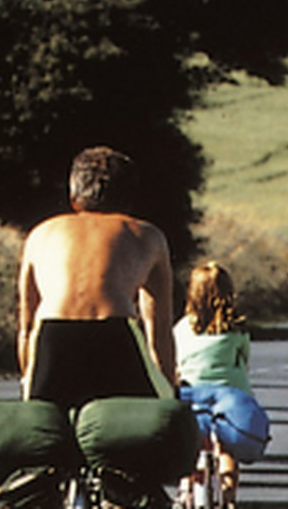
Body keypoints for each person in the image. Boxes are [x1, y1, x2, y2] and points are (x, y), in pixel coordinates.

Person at [17, 146, 177, 410]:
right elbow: (158, 330)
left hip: (52, 332)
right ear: (129, 199)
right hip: (114, 330)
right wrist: (170, 396)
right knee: (133, 429)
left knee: (51, 425)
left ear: (73, 196)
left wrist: (28, 387)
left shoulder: (40, 234)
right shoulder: (148, 236)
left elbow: (26, 326)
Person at [174, 262, 270, 508]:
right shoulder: (236, 330)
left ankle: (186, 490)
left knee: (189, 448)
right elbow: (243, 362)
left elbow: (174, 363)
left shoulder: (182, 328)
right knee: (226, 451)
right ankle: (229, 500)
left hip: (190, 395)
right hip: (230, 399)